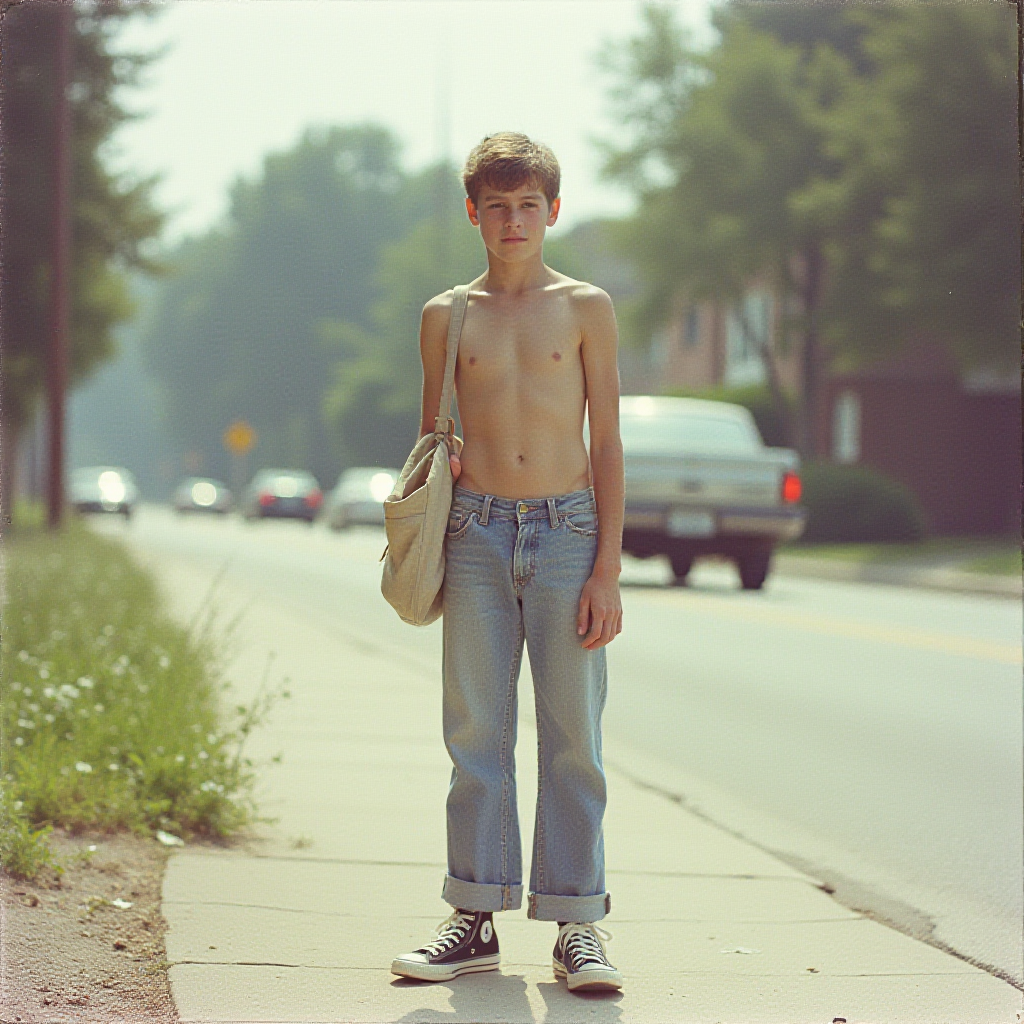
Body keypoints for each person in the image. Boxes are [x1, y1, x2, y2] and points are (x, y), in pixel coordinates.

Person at [390, 132, 624, 994]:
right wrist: (437, 491)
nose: (514, 220)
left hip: (568, 533)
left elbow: (608, 445)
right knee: (477, 735)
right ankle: (475, 915)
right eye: (498, 207)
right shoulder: (447, 316)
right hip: (478, 537)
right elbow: (431, 437)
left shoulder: (586, 307)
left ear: (552, 211)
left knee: (575, 738)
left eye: (529, 206)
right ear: (474, 213)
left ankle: (578, 929)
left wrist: (607, 567)